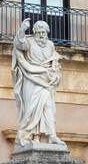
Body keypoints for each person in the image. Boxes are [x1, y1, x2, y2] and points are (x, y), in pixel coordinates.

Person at [11, 18, 65, 146]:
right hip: (31, 78)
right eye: (38, 32)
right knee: (31, 108)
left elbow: (54, 63)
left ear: (47, 33)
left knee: (47, 107)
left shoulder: (50, 45)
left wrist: (55, 75)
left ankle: (52, 135)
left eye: (43, 33)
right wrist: (22, 30)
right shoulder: (29, 42)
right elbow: (19, 44)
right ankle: (31, 135)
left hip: (46, 80)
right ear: (34, 32)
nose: (41, 35)